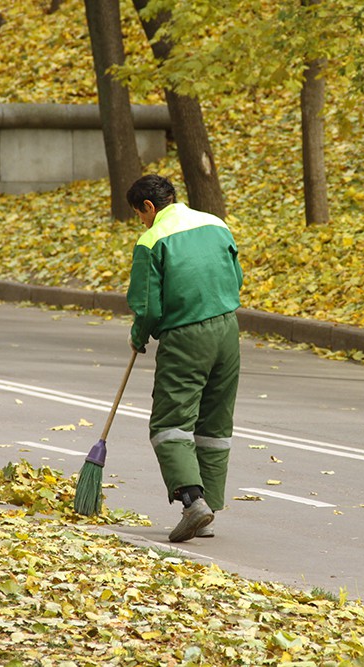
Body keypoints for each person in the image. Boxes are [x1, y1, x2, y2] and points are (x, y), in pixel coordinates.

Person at [125, 174, 244, 542]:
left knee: (170, 424)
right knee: (214, 423)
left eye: (139, 214)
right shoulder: (215, 223)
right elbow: (236, 276)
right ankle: (209, 508)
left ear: (148, 206)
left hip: (186, 335)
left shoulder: (152, 240)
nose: (141, 222)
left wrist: (139, 334)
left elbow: (147, 305)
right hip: (228, 330)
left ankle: (192, 502)